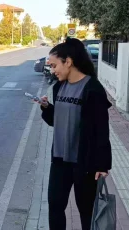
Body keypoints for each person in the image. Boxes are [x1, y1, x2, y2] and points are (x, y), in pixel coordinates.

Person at [35, 38, 112, 230]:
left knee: (86, 212)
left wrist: (102, 164)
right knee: (55, 206)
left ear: (68, 62)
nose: (52, 70)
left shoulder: (92, 89)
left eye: (54, 65)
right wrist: (46, 108)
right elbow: (57, 121)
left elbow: (101, 129)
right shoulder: (59, 87)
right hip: (59, 160)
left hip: (84, 163)